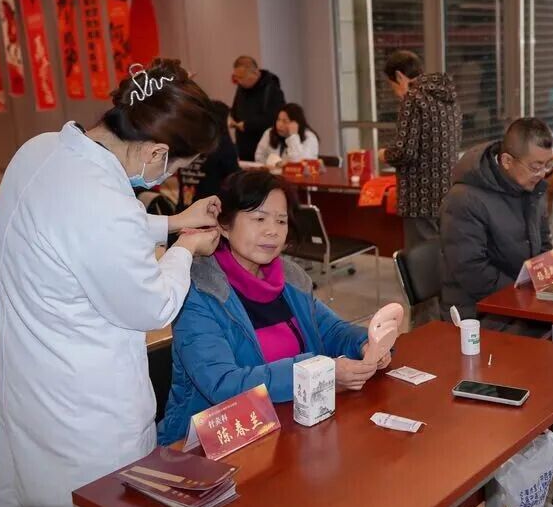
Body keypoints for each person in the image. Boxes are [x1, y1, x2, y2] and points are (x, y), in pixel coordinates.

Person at [0, 58, 224, 507]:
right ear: (156, 153)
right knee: (96, 499)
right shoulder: (102, 201)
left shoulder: (40, 150)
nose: (168, 177)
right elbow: (152, 306)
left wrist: (172, 222)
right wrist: (185, 248)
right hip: (84, 411)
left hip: (29, 382)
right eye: (175, 168)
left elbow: (78, 233)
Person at [158, 171, 395, 444]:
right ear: (224, 225)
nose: (272, 230)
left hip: (290, 426)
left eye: (281, 221)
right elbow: (223, 384)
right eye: (259, 219)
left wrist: (366, 344)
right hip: (215, 442)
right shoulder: (198, 291)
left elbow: (331, 331)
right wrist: (318, 372)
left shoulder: (290, 278)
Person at [440, 118, 553, 329]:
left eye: (547, 165)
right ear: (507, 161)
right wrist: (525, 297)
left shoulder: (531, 188)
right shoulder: (465, 199)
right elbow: (471, 270)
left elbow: (544, 243)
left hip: (520, 299)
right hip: (478, 312)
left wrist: (551, 283)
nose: (542, 174)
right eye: (535, 167)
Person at [378, 50, 461, 250]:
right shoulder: (448, 97)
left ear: (399, 76)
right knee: (442, 252)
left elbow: (405, 151)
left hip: (419, 196)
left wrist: (384, 154)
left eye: (392, 86)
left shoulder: (413, 98)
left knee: (421, 256)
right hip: (446, 189)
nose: (395, 93)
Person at [177, 100, 241, 212]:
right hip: (210, 210)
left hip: (184, 208)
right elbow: (234, 175)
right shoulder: (222, 143)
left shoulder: (188, 141)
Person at [229, 55, 285, 161]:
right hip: (243, 148)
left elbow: (274, 118)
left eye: (242, 77)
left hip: (265, 149)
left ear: (255, 73)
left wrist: (247, 125)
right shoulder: (242, 87)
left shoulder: (271, 89)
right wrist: (232, 118)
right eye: (237, 78)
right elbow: (235, 108)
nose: (239, 81)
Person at [254, 103, 319, 166]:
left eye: (284, 121)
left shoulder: (310, 137)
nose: (279, 124)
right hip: (271, 172)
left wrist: (293, 136)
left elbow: (299, 163)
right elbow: (259, 156)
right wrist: (275, 164)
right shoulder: (270, 132)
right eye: (278, 119)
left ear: (296, 124)